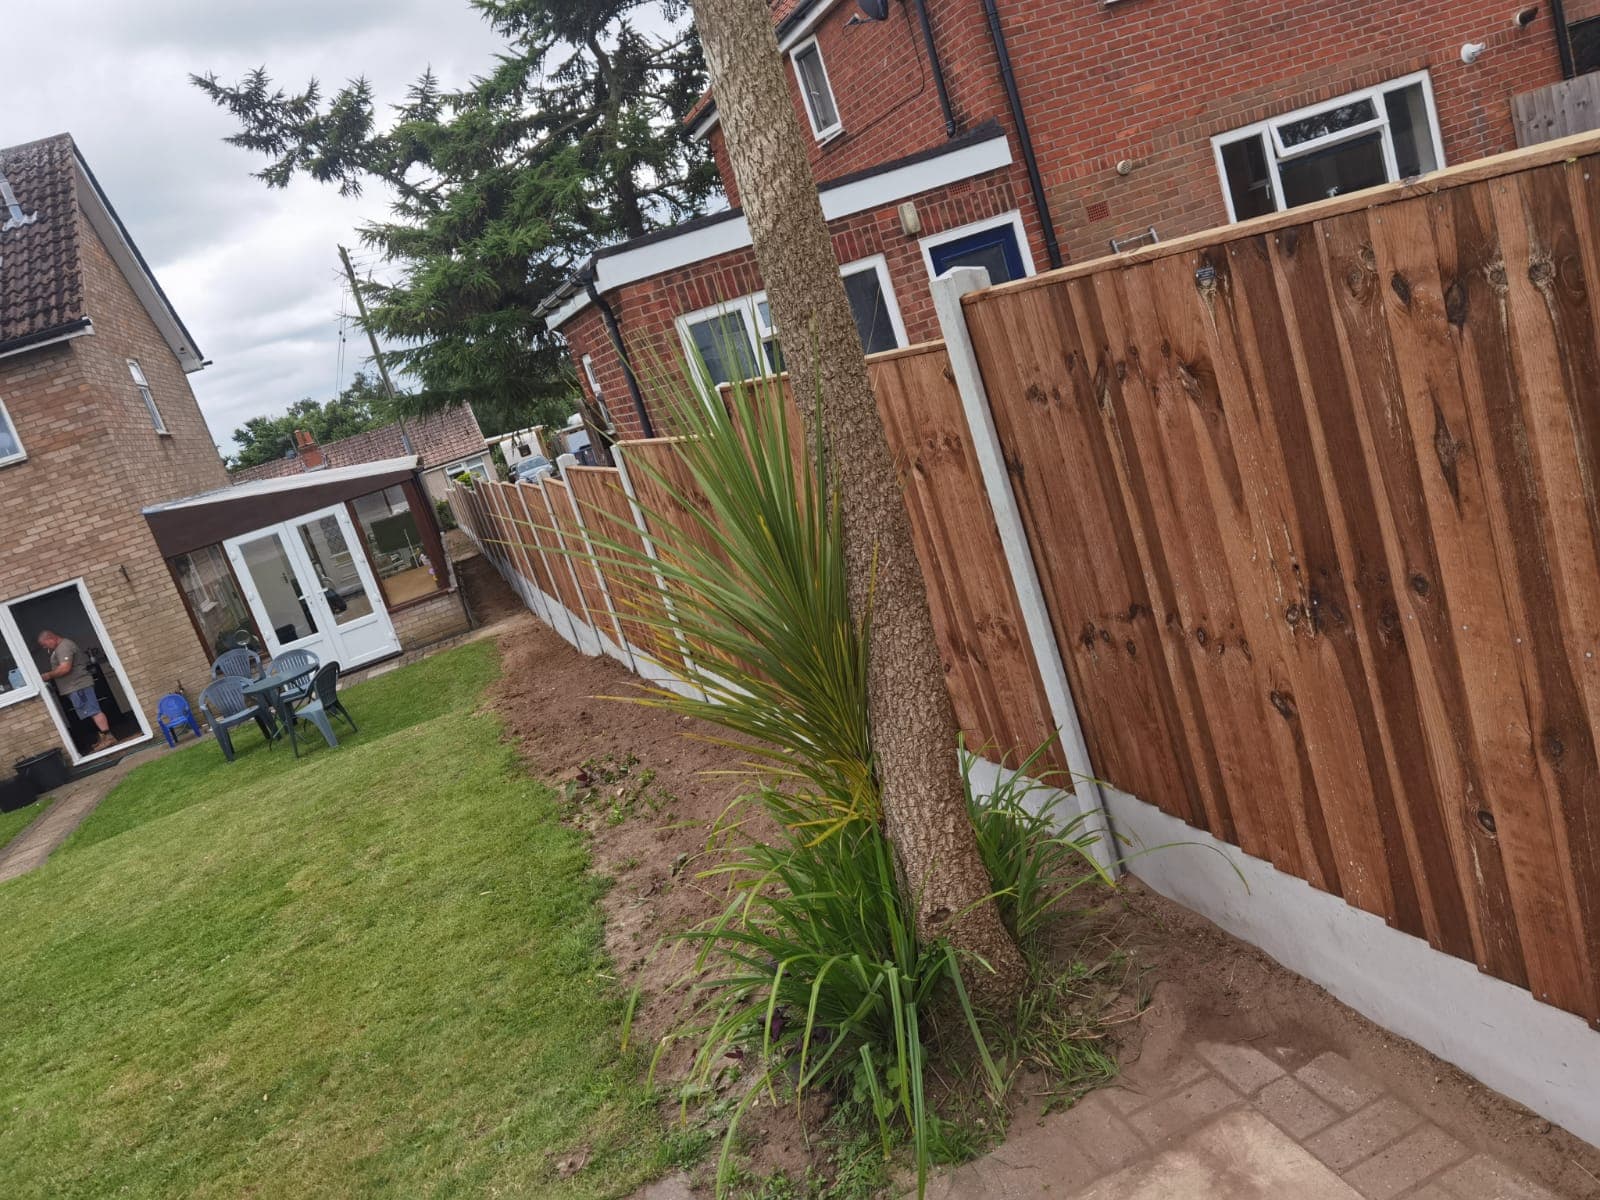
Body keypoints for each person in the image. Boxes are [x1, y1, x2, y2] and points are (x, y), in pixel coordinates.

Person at [36, 630, 116, 752]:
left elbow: (65, 668)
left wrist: (47, 675)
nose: (45, 647)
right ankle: (103, 737)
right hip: (74, 687)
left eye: (45, 644)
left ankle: (109, 737)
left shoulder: (64, 647)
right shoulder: (58, 649)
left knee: (93, 711)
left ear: (50, 638)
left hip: (79, 685)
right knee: (89, 712)